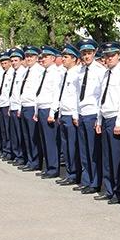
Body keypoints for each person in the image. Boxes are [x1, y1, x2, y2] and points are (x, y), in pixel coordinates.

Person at [95, 42, 120, 204]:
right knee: (107, 157)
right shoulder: (105, 74)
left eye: (111, 55)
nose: (108, 59)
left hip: (116, 118)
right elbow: (101, 99)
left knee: (117, 158)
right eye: (106, 56)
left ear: (118, 56)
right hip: (106, 117)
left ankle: (119, 192)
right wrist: (99, 120)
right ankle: (109, 189)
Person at [76, 39, 106, 194]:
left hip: (93, 113)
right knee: (84, 150)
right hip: (81, 113)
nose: (86, 56)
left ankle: (95, 182)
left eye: (89, 53)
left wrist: (99, 118)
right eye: (84, 53)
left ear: (94, 53)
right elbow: (76, 94)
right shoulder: (80, 71)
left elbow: (102, 96)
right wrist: (76, 113)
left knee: (94, 151)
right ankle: (86, 179)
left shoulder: (100, 70)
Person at [35, 45, 64, 179]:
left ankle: (53, 168)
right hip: (41, 108)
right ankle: (48, 166)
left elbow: (56, 94)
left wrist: (52, 113)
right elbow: (39, 93)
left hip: (48, 109)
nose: (43, 59)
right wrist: (36, 111)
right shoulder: (43, 72)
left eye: (46, 57)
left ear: (53, 58)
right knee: (44, 140)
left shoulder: (56, 73)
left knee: (51, 140)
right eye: (42, 57)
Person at [54, 44, 82, 186]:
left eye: (66, 57)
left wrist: (75, 115)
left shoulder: (78, 74)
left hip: (72, 115)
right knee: (66, 146)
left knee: (73, 146)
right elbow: (62, 96)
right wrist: (58, 113)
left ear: (74, 59)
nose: (63, 59)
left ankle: (75, 174)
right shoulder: (64, 74)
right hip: (64, 113)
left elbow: (77, 97)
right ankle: (70, 173)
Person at [18, 46, 45, 171]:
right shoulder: (25, 70)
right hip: (24, 105)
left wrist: (35, 110)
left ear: (36, 57)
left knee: (34, 137)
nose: (28, 58)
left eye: (31, 56)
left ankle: (35, 162)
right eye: (27, 56)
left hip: (32, 107)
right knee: (26, 135)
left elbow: (38, 92)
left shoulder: (39, 71)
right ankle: (30, 160)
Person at [8, 48, 27, 164]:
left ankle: (21, 156)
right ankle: (16, 154)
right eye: (12, 60)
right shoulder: (12, 73)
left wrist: (19, 107)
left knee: (21, 134)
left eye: (16, 60)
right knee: (14, 133)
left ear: (21, 61)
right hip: (13, 105)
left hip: (19, 107)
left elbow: (22, 93)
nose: (14, 63)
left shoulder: (23, 73)